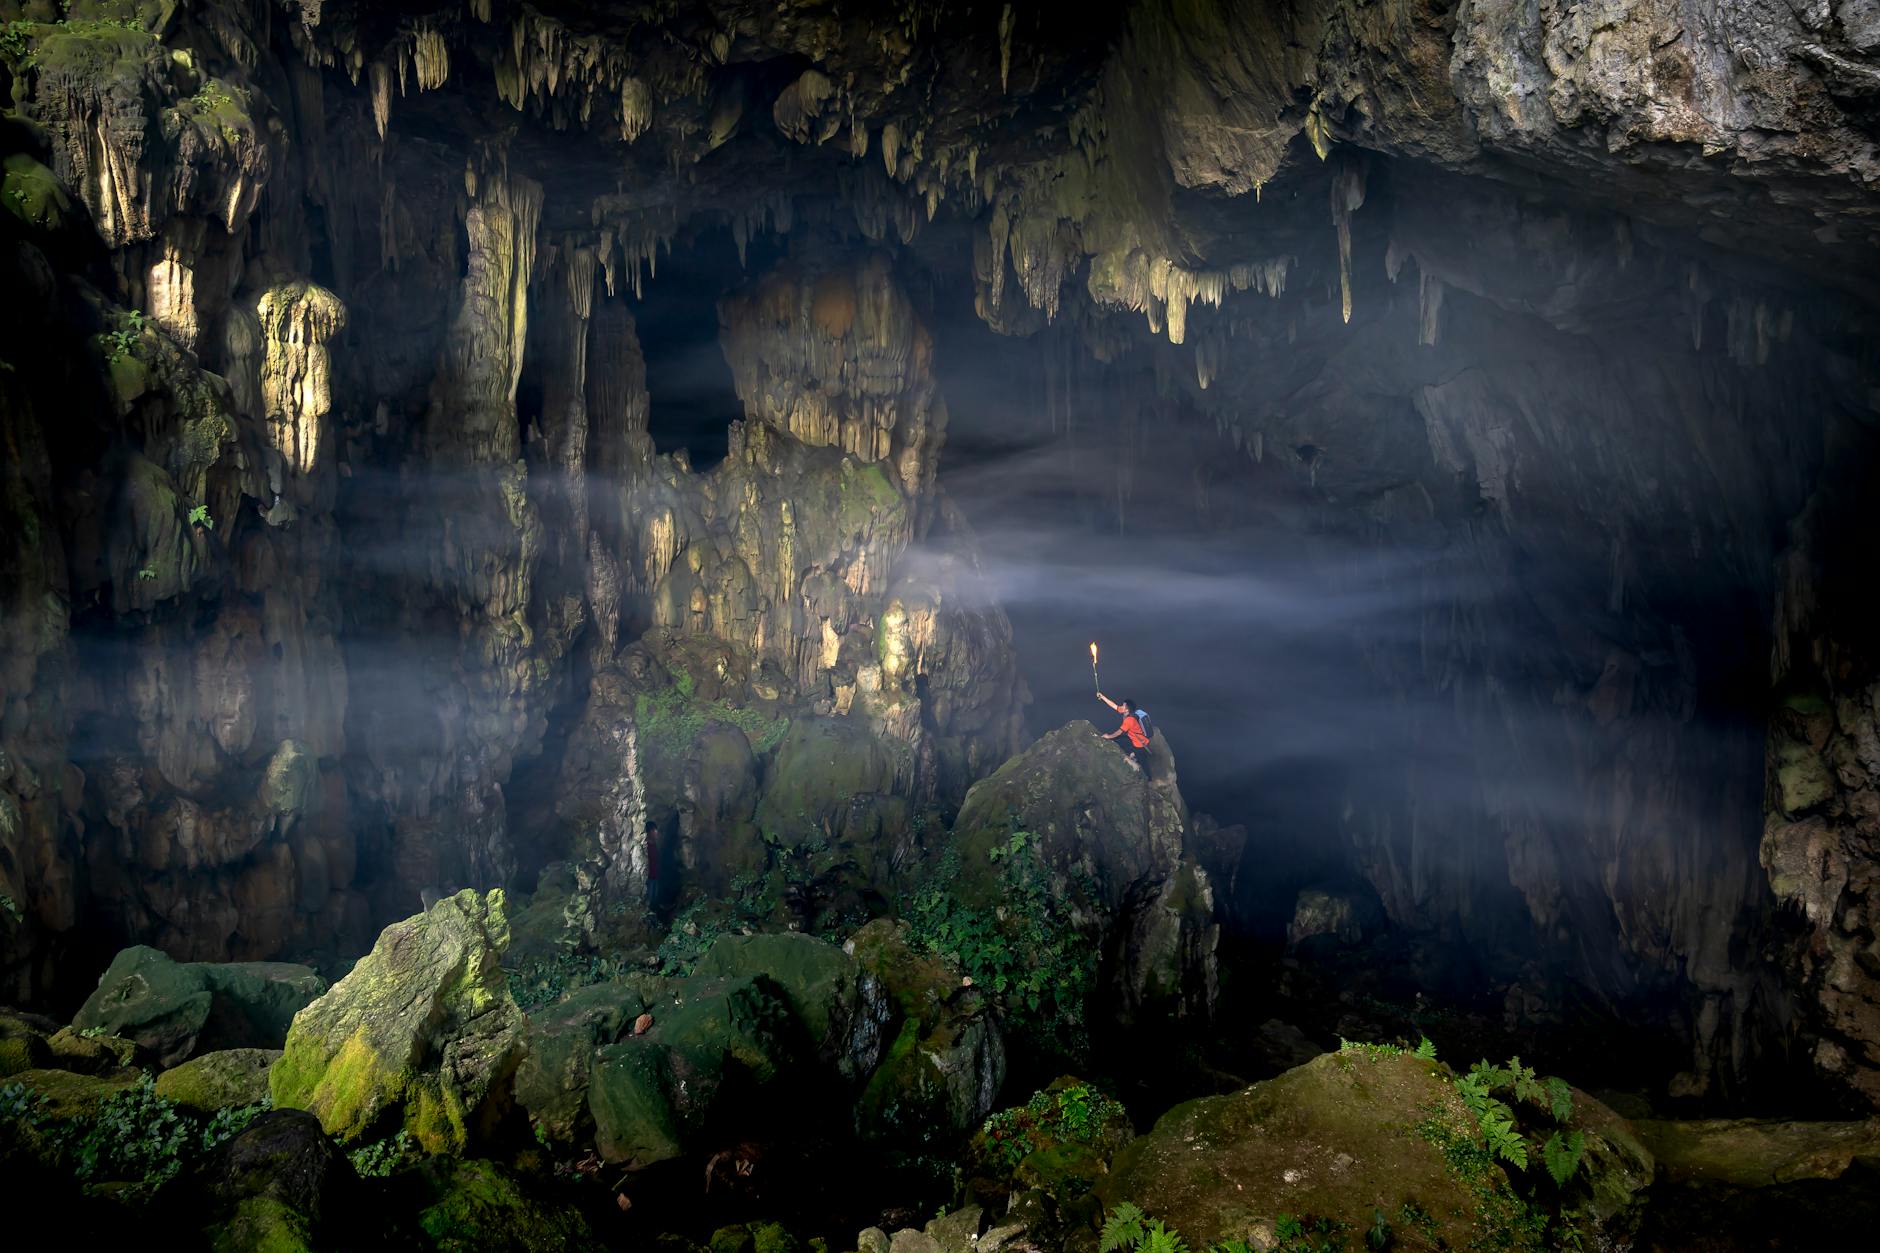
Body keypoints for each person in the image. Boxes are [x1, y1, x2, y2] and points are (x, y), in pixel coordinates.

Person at [1095, 692, 1150, 771]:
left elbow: (1119, 732)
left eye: (1123, 705)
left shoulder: (1129, 720)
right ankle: (1133, 754)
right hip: (1134, 740)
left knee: (1144, 765)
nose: (1121, 706)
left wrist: (1108, 736)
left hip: (1140, 744)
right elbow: (1114, 706)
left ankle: (1149, 779)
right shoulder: (1127, 712)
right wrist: (1102, 697)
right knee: (1120, 740)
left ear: (1127, 710)